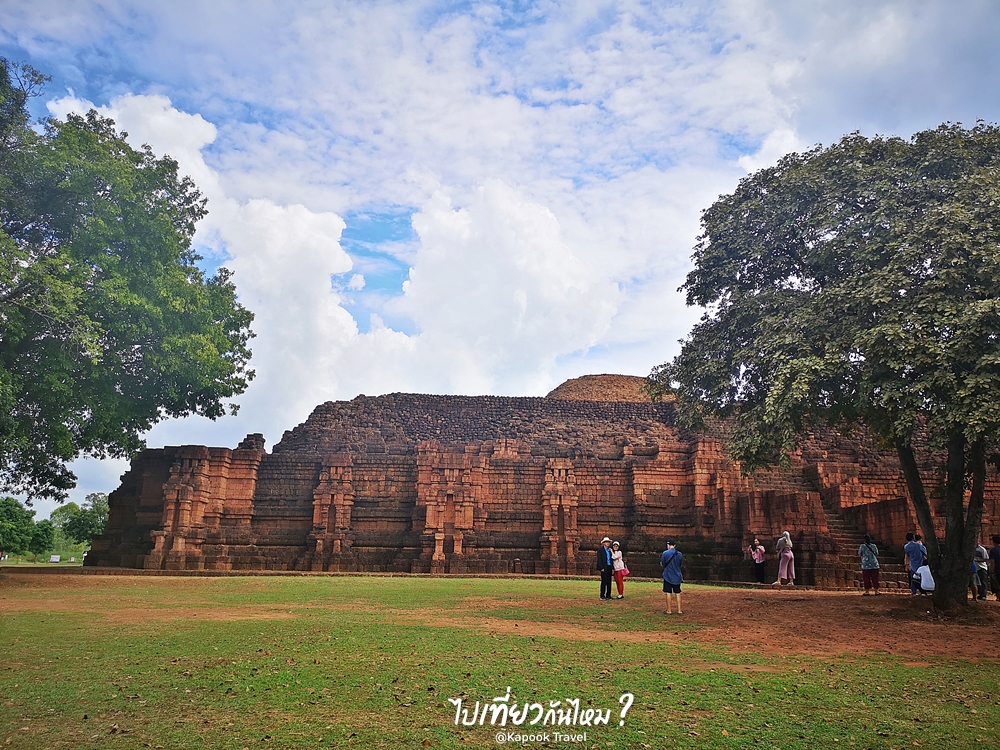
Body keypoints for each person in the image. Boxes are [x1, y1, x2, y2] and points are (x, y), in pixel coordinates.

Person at [660, 540, 683, 614]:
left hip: (668, 575)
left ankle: (669, 610)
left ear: (668, 545)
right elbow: (680, 564)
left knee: (668, 592)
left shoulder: (665, 553)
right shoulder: (679, 554)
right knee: (678, 592)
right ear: (675, 545)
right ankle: (679, 610)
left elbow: (663, 563)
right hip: (677, 575)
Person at [903, 532, 927, 596]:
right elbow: (925, 552)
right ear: (913, 538)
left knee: (913, 578)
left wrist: (907, 564)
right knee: (922, 578)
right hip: (920, 563)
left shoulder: (906, 547)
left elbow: (907, 555)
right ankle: (923, 591)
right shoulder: (918, 545)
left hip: (912, 564)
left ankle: (913, 591)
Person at [989, 534, 1000, 602]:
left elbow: (992, 562)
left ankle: (998, 598)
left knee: (997, 585)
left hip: (998, 569)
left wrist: (992, 571)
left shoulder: (993, 550)